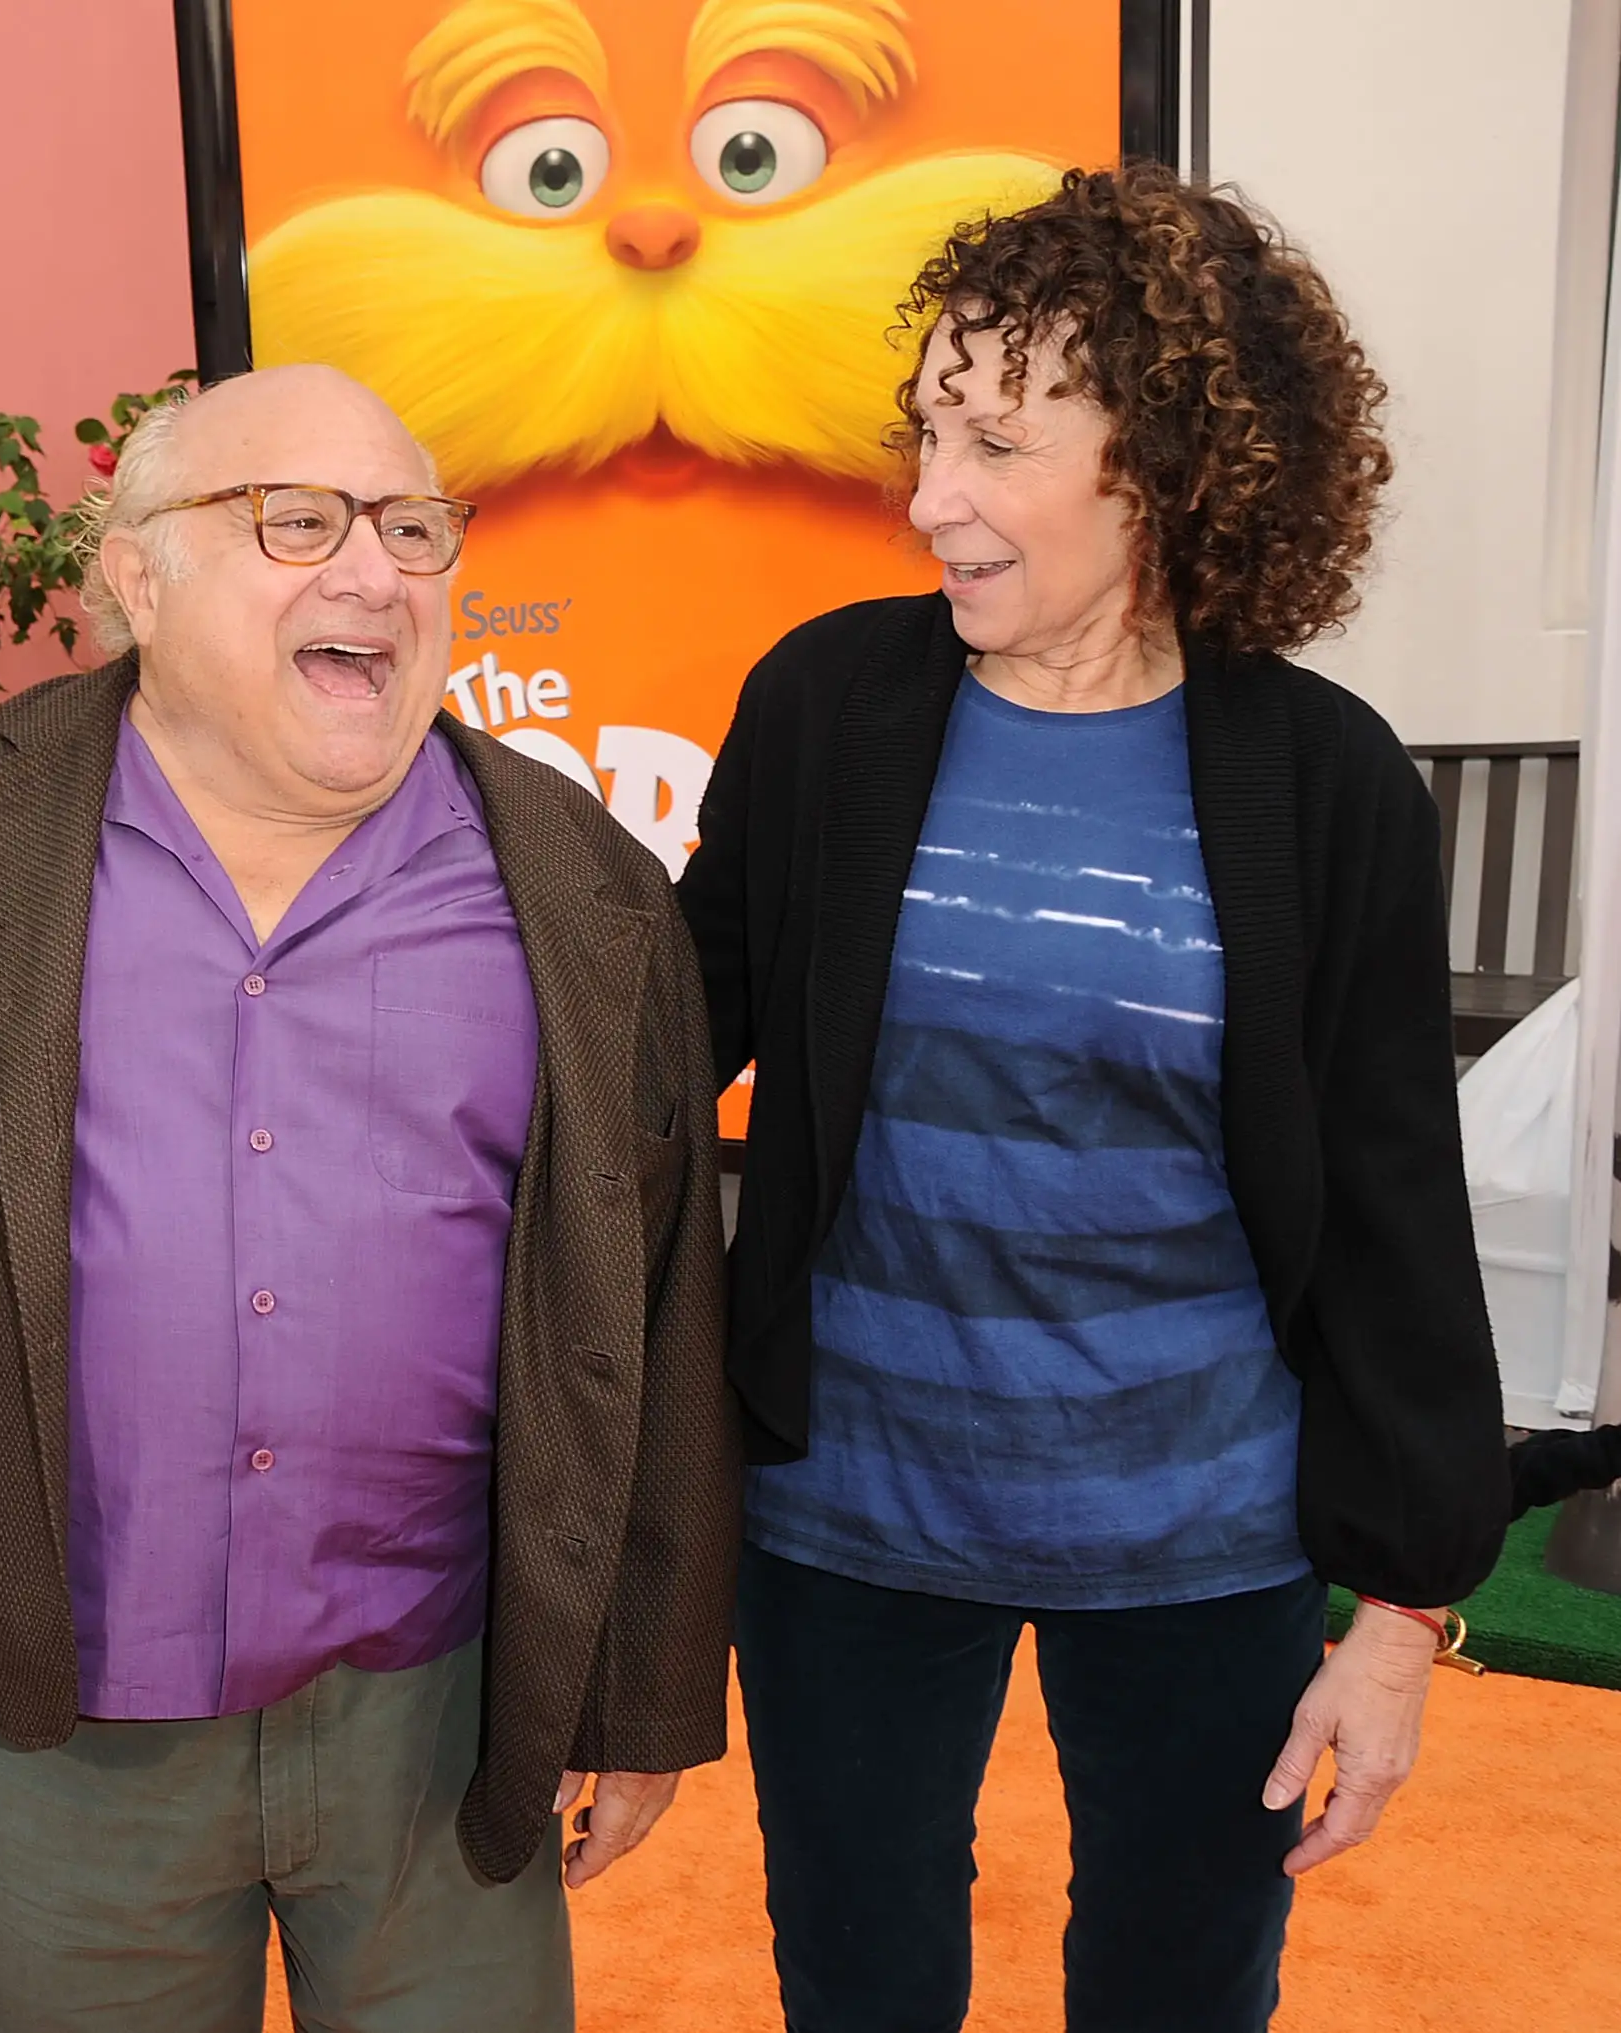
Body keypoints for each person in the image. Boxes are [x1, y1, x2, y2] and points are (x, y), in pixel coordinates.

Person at [675, 163, 1512, 2033]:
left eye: (995, 440)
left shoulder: (1328, 783)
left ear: (1168, 460)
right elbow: (656, 1032)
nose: (930, 498)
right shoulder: (828, 707)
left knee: (1180, 1981)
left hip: (1203, 1528)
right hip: (852, 1511)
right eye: (926, 432)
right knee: (862, 1980)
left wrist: (1399, 1619)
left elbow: (1393, 1217)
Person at [0, 364, 738, 2031]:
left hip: (441, 1704)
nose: (374, 574)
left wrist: (640, 1691)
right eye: (297, 522)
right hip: (72, 1714)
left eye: (414, 528)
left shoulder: (583, 890)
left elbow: (657, 1305)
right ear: (138, 573)